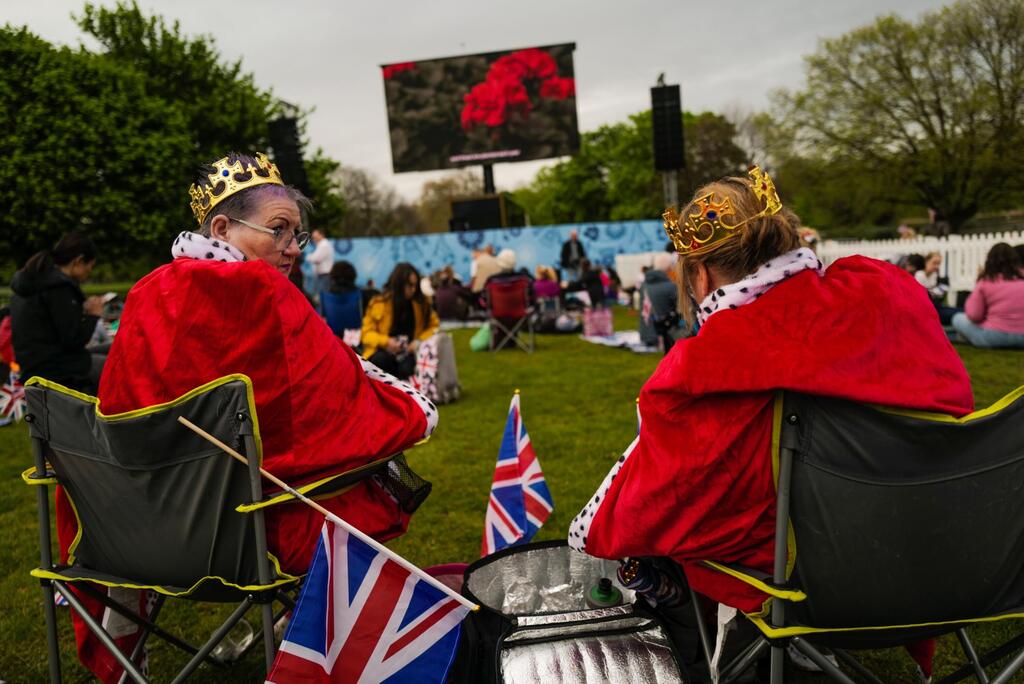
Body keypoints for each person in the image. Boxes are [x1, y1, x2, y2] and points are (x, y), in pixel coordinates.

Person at [568, 167, 973, 682]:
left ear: (702, 275)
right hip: (939, 552)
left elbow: (652, 508)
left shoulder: (708, 362)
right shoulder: (888, 290)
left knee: (660, 556)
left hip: (809, 584)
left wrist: (593, 527)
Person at [76, 152, 438, 683]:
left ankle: (128, 638)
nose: (294, 248)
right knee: (364, 485)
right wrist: (412, 410)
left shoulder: (149, 289)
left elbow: (123, 411)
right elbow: (339, 395)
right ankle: (313, 625)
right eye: (279, 230)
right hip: (238, 537)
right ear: (222, 228)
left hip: (131, 527)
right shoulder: (266, 292)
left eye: (299, 232)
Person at [9, 232, 104, 393]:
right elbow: (74, 340)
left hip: (33, 365)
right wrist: (93, 315)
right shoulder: (59, 289)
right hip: (56, 370)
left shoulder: (36, 282)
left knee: (113, 348)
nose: (90, 271)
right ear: (78, 261)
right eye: (90, 266)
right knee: (118, 366)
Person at [362, 262, 439, 379]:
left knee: (406, 368)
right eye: (410, 285)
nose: (413, 290)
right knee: (382, 361)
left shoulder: (421, 304)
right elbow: (366, 334)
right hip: (382, 352)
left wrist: (419, 341)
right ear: (399, 284)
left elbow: (434, 326)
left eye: (415, 285)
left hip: (409, 352)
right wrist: (386, 342)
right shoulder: (378, 303)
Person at [951, 243, 1024, 348]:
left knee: (957, 318)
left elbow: (974, 315)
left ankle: (964, 337)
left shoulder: (986, 281)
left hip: (994, 338)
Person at [638, 252, 679, 349]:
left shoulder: (644, 284)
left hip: (645, 333)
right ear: (669, 268)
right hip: (662, 337)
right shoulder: (671, 287)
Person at [915, 251, 958, 324]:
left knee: (958, 310)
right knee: (956, 313)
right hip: (924, 311)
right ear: (926, 261)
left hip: (934, 306)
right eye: (934, 263)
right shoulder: (919, 275)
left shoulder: (933, 275)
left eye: (938, 264)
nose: (936, 266)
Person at [306, 227, 334, 309]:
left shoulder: (323, 244)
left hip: (325, 275)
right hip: (323, 275)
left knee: (322, 297)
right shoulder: (322, 244)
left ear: (321, 235)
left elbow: (316, 258)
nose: (314, 238)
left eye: (316, 236)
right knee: (321, 297)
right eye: (313, 237)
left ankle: (323, 316)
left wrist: (309, 257)